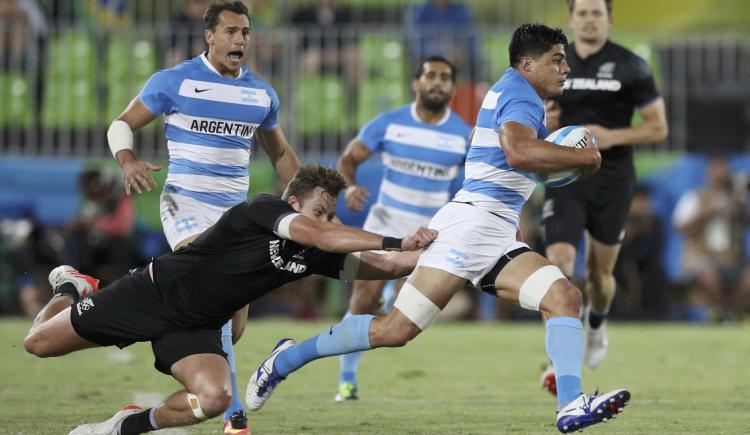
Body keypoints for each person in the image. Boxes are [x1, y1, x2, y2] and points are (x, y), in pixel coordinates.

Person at [246, 24, 630, 434]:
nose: (566, 67)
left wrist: (520, 208)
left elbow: (505, 164)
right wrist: (585, 159)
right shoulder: (520, 93)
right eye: (557, 59)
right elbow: (517, 152)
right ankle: (285, 359)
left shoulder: (521, 95)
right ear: (527, 63)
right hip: (468, 228)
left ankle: (570, 405)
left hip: (494, 230)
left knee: (565, 297)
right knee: (395, 329)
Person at [23, 165, 437, 435]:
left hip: (197, 324)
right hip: (151, 294)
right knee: (37, 344)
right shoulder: (261, 210)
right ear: (293, 204)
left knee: (215, 400)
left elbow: (387, 268)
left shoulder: (316, 252)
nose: (330, 221)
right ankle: (72, 287)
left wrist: (449, 250)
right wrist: (398, 240)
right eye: (322, 211)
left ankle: (118, 428)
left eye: (332, 214)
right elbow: (328, 236)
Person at [105, 2, 301, 433]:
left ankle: (146, 303)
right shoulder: (173, 81)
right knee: (218, 291)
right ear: (209, 36)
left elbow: (281, 153)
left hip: (237, 216)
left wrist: (302, 200)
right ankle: (234, 418)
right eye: (231, 32)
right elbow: (121, 123)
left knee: (235, 321)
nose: (240, 40)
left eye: (246, 33)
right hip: (186, 205)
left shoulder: (261, 94)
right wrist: (128, 160)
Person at [541, 0, 669, 384]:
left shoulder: (632, 65)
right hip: (565, 176)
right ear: (570, 20)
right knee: (559, 268)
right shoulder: (553, 65)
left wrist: (614, 135)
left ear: (609, 20)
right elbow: (528, 119)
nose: (590, 19)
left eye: (597, 13)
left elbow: (658, 128)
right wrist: (542, 122)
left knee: (600, 277)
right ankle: (560, 363)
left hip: (613, 178)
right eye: (583, 13)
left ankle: (596, 324)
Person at [334, 55, 470, 401]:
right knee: (363, 298)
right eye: (430, 76)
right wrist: (349, 187)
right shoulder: (389, 124)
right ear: (416, 84)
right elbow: (349, 159)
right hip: (385, 227)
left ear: (453, 88)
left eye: (444, 77)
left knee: (414, 318)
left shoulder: (463, 136)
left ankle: (397, 291)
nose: (437, 82)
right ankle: (347, 379)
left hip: (431, 234)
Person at [672, 155, 750, 321]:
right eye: (716, 169)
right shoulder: (695, 197)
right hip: (702, 255)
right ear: (708, 173)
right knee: (707, 275)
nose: (719, 174)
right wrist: (706, 214)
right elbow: (680, 228)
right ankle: (724, 312)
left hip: (732, 257)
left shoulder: (737, 198)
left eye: (723, 169)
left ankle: (728, 311)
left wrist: (740, 203)